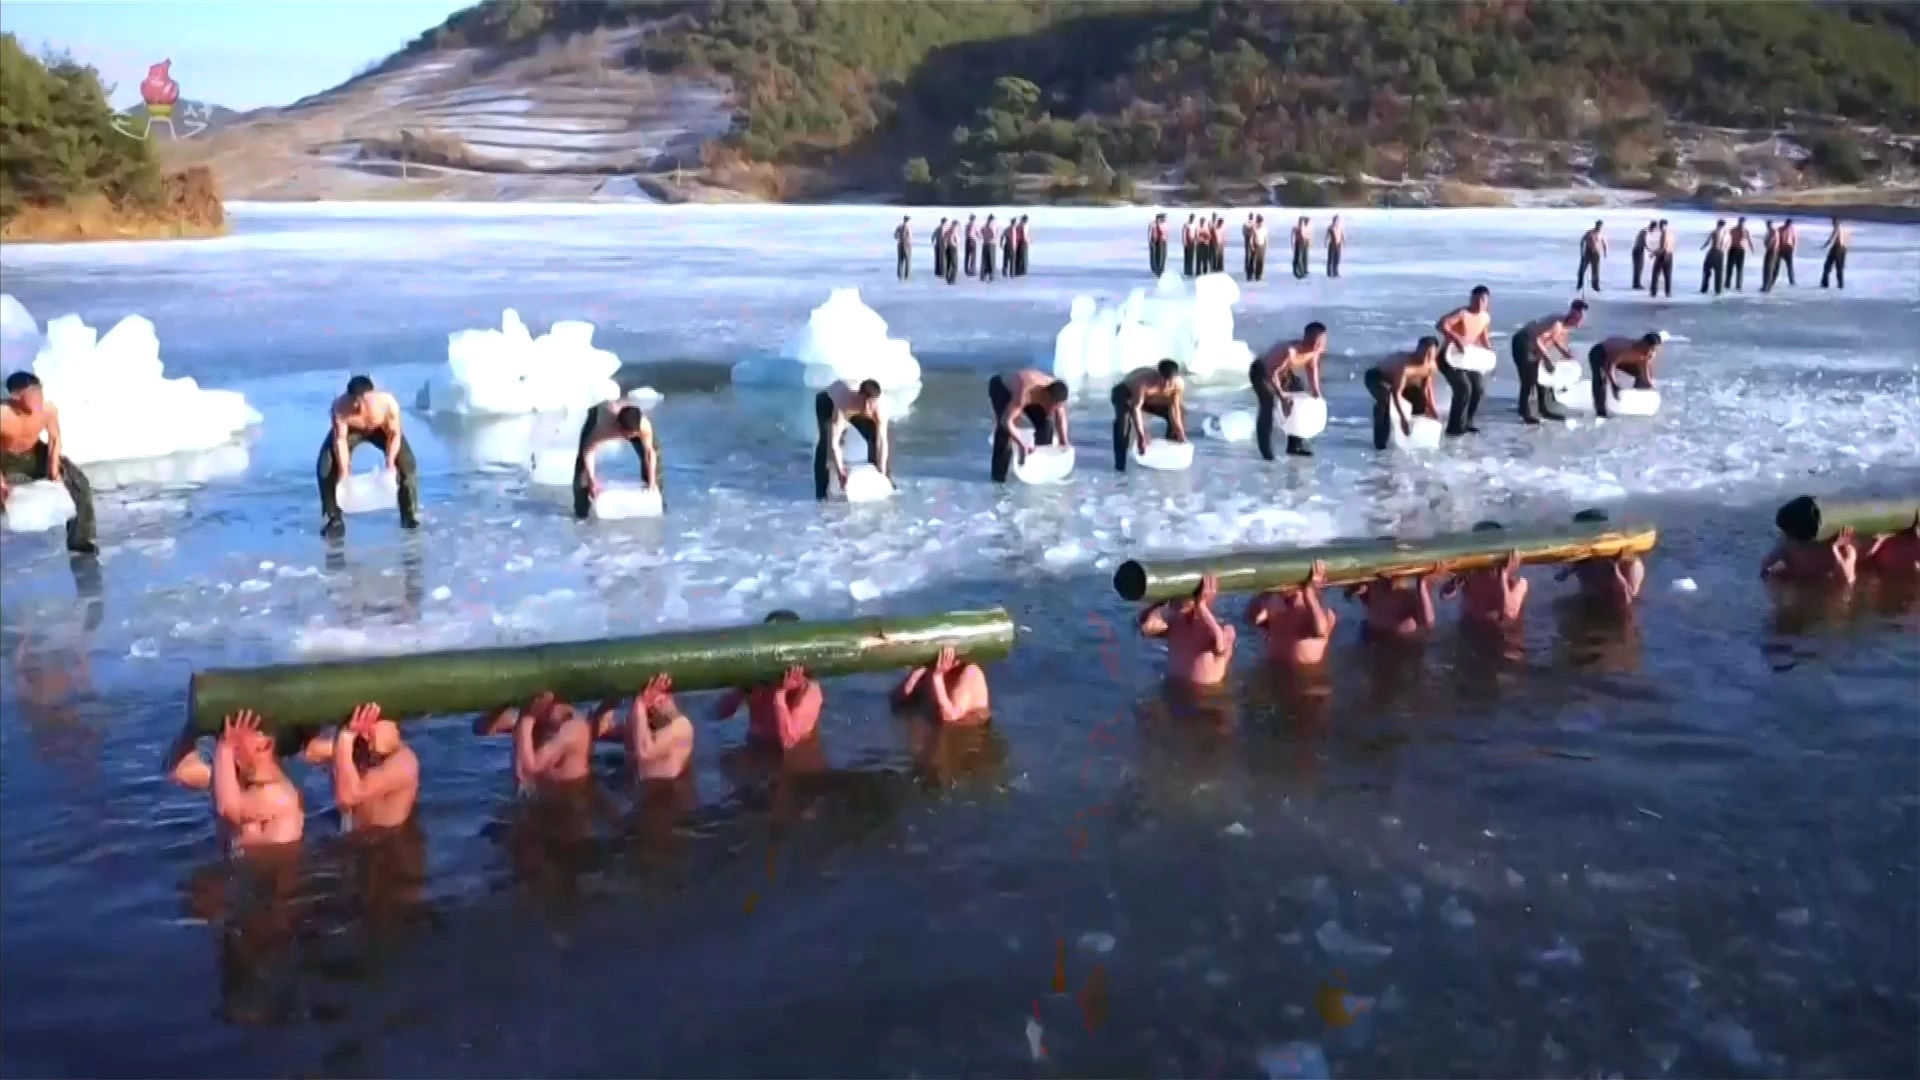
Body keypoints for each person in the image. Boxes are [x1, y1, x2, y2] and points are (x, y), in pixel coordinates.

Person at [168, 711, 305, 850]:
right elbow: (178, 772)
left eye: (239, 738)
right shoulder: (240, 781)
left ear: (264, 745)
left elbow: (228, 809)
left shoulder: (277, 793)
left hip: (267, 868)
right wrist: (195, 723)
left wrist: (226, 746)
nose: (233, 740)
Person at [0, 371, 97, 555]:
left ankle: (80, 539)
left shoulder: (48, 409)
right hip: (4, 456)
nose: (38, 398)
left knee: (79, 483)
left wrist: (54, 471)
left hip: (35, 453)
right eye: (32, 395)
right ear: (16, 396)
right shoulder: (3, 414)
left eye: (40, 392)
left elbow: (54, 439)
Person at [318, 375, 419, 538]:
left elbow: (394, 433)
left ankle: (409, 516)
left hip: (381, 429)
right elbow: (340, 440)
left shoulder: (387, 403)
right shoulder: (340, 407)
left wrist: (390, 461)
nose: (358, 405)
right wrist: (345, 471)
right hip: (352, 431)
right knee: (325, 467)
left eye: (363, 400)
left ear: (372, 394)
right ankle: (333, 519)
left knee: (408, 466)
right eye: (354, 401)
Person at [715, 610, 824, 751]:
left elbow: (789, 741)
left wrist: (780, 695)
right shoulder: (759, 679)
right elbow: (718, 714)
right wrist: (741, 689)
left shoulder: (809, 690)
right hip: (756, 746)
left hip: (795, 756)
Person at [331, 702, 421, 830]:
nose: (364, 733)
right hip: (361, 837)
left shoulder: (403, 763)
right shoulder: (363, 749)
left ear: (394, 726)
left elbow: (348, 797)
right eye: (362, 724)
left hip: (389, 843)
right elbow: (311, 752)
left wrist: (346, 737)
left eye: (372, 725)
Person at [1137, 573, 1236, 687]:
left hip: (1207, 695)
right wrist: (1161, 600)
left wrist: (1202, 607)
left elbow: (1221, 647)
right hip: (1175, 687)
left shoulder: (1219, 630)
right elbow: (1145, 628)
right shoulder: (1177, 624)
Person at [1249, 321, 1327, 460]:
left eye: (1320, 342)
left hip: (1283, 373)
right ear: (1306, 338)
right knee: (1268, 405)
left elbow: (1312, 367)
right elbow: (1272, 374)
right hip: (1262, 372)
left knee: (1298, 391)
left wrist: (1316, 391)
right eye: (1314, 341)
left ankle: (1295, 445)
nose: (1317, 345)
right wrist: (1282, 397)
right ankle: (1266, 452)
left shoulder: (1314, 351)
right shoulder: (1290, 350)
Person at [572, 400, 661, 520]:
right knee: (583, 468)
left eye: (632, 435)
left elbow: (649, 452)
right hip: (600, 415)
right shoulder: (605, 427)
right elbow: (589, 451)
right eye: (626, 435)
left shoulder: (644, 426)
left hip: (630, 419)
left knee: (655, 460)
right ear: (619, 428)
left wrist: (652, 481)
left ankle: (655, 502)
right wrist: (592, 480)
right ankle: (581, 513)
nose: (628, 438)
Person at [1246, 560, 1336, 666]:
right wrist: (1267, 591)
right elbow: (1251, 618)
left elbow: (1321, 631)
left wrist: (1309, 592)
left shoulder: (1322, 614)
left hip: (1307, 676)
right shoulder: (1275, 608)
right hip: (1277, 671)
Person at [1512, 299, 1587, 424]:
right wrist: (1546, 359)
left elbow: (1555, 340)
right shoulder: (1556, 323)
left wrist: (1566, 354)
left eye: (1582, 316)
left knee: (1543, 376)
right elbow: (1538, 339)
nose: (1579, 319)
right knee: (1530, 377)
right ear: (1572, 313)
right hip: (1524, 340)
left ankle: (1543, 409)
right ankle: (1525, 411)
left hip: (1535, 345)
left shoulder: (1565, 327)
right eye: (1577, 315)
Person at [988, 369, 1070, 483]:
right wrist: (1022, 445)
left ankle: (1040, 469)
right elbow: (1006, 421)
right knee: (1005, 433)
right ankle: (998, 480)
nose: (1052, 410)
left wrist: (1063, 442)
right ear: (1045, 395)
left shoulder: (1056, 391)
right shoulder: (1026, 391)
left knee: (1046, 425)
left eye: (1055, 407)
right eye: (1051, 405)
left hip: (1031, 395)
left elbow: (1061, 418)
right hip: (1002, 388)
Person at [813, 378, 890, 500]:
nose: (868, 407)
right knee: (825, 444)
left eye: (872, 403)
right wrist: (840, 472)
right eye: (866, 402)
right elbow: (834, 442)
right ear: (859, 396)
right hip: (828, 402)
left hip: (855, 408)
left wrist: (882, 471)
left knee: (875, 438)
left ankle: (883, 480)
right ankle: (821, 493)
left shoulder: (880, 408)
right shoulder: (845, 402)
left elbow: (882, 441)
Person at [1434, 285, 1494, 436]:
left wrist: (1489, 349)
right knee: (1463, 388)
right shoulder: (1463, 313)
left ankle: (1467, 421)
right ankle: (1455, 428)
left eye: (1483, 300)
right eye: (1476, 299)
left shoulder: (1485, 317)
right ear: (1471, 299)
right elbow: (1441, 325)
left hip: (1466, 358)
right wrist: (1456, 338)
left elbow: (1483, 336)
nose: (1479, 303)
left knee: (1478, 388)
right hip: (1447, 357)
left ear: (1487, 301)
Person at [1364, 337, 1442, 451]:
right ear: (1417, 350)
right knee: (1385, 400)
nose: (1425, 358)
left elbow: (1425, 389)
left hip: (1396, 380)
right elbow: (1396, 393)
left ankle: (1412, 436)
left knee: (1419, 398)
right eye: (1422, 353)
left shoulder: (1432, 366)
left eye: (1429, 354)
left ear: (1436, 353)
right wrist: (1403, 418)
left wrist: (1433, 410)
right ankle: (1380, 445)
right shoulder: (1406, 366)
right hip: (1376, 376)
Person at [1557, 508, 1645, 609]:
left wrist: (1614, 568)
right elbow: (1560, 577)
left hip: (1614, 611)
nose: (1577, 534)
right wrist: (1565, 568)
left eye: (1580, 530)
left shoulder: (1629, 562)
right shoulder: (1584, 555)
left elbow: (1625, 600)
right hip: (1588, 603)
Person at [1109, 360, 1187, 473]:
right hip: (1124, 394)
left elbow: (1174, 409)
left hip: (1148, 399)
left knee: (1180, 413)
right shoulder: (1144, 381)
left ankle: (1167, 455)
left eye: (1169, 382)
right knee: (1123, 424)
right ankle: (1120, 467)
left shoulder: (1178, 384)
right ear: (1157, 375)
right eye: (1162, 380)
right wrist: (1141, 436)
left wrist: (1180, 432)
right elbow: (1136, 409)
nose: (1165, 385)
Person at [510, 691, 595, 789]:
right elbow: (520, 774)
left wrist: (528, 717)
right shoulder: (545, 725)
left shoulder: (572, 728)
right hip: (551, 793)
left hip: (571, 793)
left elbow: (531, 768)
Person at [892, 646, 991, 725]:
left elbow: (950, 717)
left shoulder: (971, 672)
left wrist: (937, 677)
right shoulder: (932, 669)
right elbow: (897, 699)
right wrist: (915, 676)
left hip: (966, 735)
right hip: (933, 730)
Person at [622, 674, 695, 781]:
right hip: (644, 791)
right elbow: (629, 748)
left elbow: (645, 752)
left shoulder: (681, 726)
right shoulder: (646, 721)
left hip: (669, 794)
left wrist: (640, 703)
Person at [1442, 544, 1529, 627]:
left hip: (1503, 637)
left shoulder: (1518, 584)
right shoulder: (1470, 578)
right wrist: (1455, 581)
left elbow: (1508, 615)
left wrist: (1503, 575)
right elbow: (1445, 596)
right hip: (1470, 633)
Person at [1586, 333, 1662, 418]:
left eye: (1653, 349)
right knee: (1601, 379)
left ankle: (1635, 402)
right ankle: (1601, 413)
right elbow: (1609, 366)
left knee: (1640, 375)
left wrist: (1649, 384)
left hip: (1621, 360)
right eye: (1647, 348)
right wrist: (1614, 385)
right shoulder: (1626, 349)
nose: (1649, 352)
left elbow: (1644, 369)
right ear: (1641, 343)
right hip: (1600, 353)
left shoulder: (1649, 353)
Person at [1344, 572, 1435, 640]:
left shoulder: (1409, 590)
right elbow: (1355, 594)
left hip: (1404, 643)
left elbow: (1427, 623)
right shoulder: (1373, 584)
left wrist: (1421, 584)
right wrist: (1354, 590)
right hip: (1373, 635)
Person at [1699, 219, 1728, 296]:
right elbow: (1726, 245)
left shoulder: (1715, 232)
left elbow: (1708, 242)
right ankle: (1717, 290)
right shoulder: (1725, 233)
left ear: (1718, 224)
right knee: (1718, 272)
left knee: (1707, 270)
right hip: (1720, 253)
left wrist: (1702, 247)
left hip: (1714, 252)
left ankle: (1704, 289)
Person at [1647, 220, 1675, 298]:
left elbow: (1662, 248)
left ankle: (1653, 292)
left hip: (1662, 256)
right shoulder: (1670, 234)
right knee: (1667, 275)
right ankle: (1668, 292)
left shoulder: (1663, 234)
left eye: (1660, 225)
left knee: (1655, 275)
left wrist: (1653, 253)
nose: (1659, 227)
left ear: (1661, 225)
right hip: (1669, 256)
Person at [1820, 217, 1850, 290]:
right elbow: (1846, 240)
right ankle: (1840, 284)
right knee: (1839, 268)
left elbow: (1833, 237)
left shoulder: (1837, 227)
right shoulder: (1844, 229)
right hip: (1843, 248)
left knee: (1827, 266)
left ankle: (1825, 283)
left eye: (1833, 222)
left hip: (1837, 248)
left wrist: (1825, 245)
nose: (1832, 224)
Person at [1576, 220, 1606, 291]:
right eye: (1598, 225)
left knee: (1595, 271)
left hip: (1596, 253)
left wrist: (1605, 252)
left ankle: (1595, 286)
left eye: (1600, 226)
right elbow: (1582, 241)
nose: (1599, 227)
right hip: (1588, 252)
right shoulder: (1590, 232)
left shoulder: (1601, 234)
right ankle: (1580, 284)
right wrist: (1582, 252)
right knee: (1582, 269)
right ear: (1596, 225)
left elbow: (1603, 243)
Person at [1727, 216, 1751, 291]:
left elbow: (1749, 240)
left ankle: (1738, 285)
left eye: (1743, 222)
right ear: (1738, 221)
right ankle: (1727, 284)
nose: (1741, 223)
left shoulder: (1745, 231)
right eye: (1740, 221)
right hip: (1733, 249)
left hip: (1741, 250)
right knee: (1729, 268)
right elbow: (1727, 239)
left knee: (1739, 268)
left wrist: (1751, 249)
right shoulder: (1733, 229)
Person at [1630, 220, 1654, 290]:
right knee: (1638, 268)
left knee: (1639, 268)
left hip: (1639, 250)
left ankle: (1636, 283)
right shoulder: (1644, 231)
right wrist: (1650, 251)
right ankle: (1636, 284)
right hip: (1638, 250)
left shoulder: (1644, 231)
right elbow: (1644, 242)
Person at [1775, 217, 1799, 287]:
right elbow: (1777, 239)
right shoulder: (1780, 229)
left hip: (1788, 249)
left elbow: (1795, 240)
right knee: (1776, 266)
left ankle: (1792, 281)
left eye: (1789, 224)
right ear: (1785, 223)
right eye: (1787, 224)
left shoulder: (1793, 230)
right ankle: (1773, 280)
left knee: (1790, 267)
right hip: (1780, 248)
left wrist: (1794, 249)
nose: (1788, 225)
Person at [1147, 213, 1168, 277]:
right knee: (1156, 257)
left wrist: (1165, 239)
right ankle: (1156, 269)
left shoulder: (1165, 224)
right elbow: (1150, 233)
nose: (1164, 219)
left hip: (1163, 241)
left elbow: (1166, 232)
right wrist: (1151, 242)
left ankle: (1161, 269)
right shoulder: (1153, 224)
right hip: (1155, 241)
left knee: (1163, 256)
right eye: (1163, 218)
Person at [1761, 220, 1780, 291]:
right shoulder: (1768, 232)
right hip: (1769, 251)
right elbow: (1765, 242)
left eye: (1768, 225)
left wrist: (1767, 244)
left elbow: (1770, 242)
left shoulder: (1774, 231)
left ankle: (1768, 286)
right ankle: (1764, 285)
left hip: (1772, 251)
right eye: (1767, 225)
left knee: (1769, 269)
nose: (1767, 226)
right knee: (1765, 268)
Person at [980, 215, 999, 282]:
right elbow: (994, 234)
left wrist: (985, 237)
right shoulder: (993, 225)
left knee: (984, 260)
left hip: (985, 243)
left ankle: (983, 275)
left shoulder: (985, 225)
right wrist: (993, 238)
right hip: (991, 244)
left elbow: (981, 230)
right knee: (992, 260)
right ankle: (991, 276)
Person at [1252, 215, 1269, 281]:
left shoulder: (1265, 229)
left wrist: (1267, 247)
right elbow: (1251, 239)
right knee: (1256, 261)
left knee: (1261, 261)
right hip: (1256, 246)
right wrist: (1252, 246)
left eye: (1262, 222)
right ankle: (1256, 275)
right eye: (1260, 222)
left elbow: (1266, 239)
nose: (1261, 223)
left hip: (1262, 246)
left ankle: (1260, 274)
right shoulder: (1255, 229)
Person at [893, 216, 911, 280]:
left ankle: (899, 275)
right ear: (907, 220)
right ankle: (906, 276)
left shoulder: (899, 226)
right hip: (906, 245)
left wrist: (899, 239)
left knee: (900, 261)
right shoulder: (908, 227)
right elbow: (909, 236)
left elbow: (895, 235)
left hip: (900, 245)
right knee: (907, 261)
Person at [944, 220, 961, 285]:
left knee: (948, 263)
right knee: (955, 265)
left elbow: (945, 236)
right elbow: (953, 239)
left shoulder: (948, 230)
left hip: (947, 248)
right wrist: (955, 244)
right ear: (955, 225)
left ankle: (947, 278)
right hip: (953, 248)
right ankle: (952, 279)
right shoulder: (954, 230)